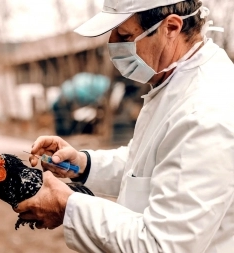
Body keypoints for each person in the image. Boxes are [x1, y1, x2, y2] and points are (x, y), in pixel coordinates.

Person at [14, 0, 234, 252]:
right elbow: (146, 165)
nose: (112, 43)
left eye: (125, 34)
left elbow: (162, 245)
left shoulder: (206, 111)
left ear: (171, 28)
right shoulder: (172, 84)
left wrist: (69, 207)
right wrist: (81, 164)